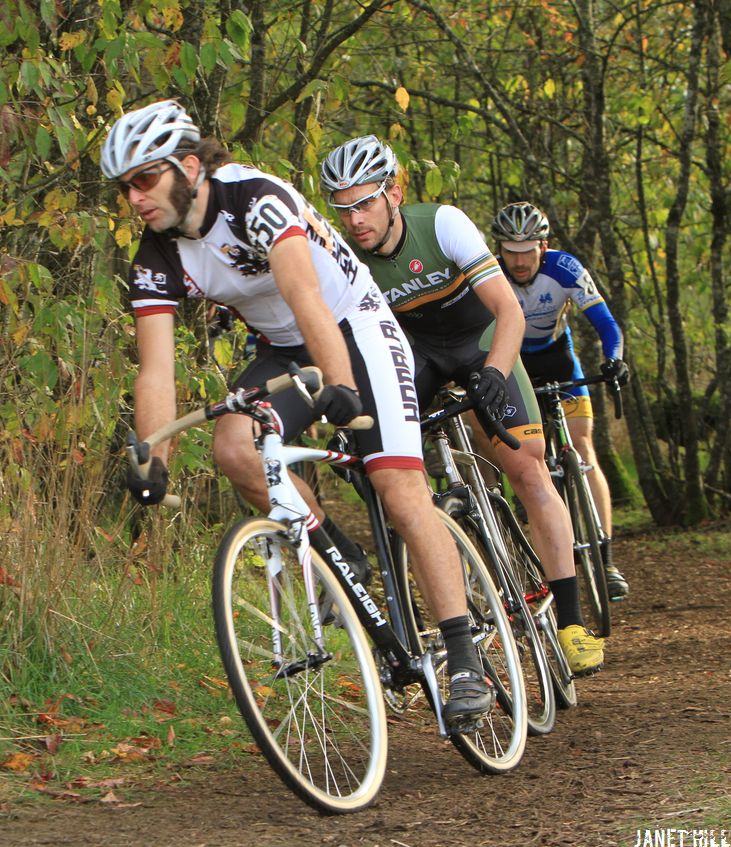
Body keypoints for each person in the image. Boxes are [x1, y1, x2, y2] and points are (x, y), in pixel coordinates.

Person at [101, 100, 497, 724]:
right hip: (281, 347)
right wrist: (154, 454)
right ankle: (339, 556)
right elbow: (157, 369)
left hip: (353, 326)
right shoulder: (157, 256)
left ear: (186, 166)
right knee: (234, 448)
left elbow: (303, 292)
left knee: (398, 489)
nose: (134, 198)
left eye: (143, 179)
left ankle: (462, 651)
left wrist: (339, 386)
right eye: (124, 187)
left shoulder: (254, 198)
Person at [319, 136, 605, 674]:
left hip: (480, 342)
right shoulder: (342, 256)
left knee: (527, 464)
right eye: (343, 208)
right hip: (416, 356)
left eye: (365, 203)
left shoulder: (443, 223)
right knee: (386, 474)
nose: (355, 219)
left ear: (394, 193)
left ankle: (570, 622)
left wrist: (496, 372)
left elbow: (508, 311)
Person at [490, 202, 630, 601]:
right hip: (514, 364)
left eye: (527, 250)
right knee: (525, 459)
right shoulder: (489, 272)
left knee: (583, 446)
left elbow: (606, 324)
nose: (518, 261)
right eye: (509, 251)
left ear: (544, 246)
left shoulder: (565, 268)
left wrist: (614, 359)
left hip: (558, 360)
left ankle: (605, 559)